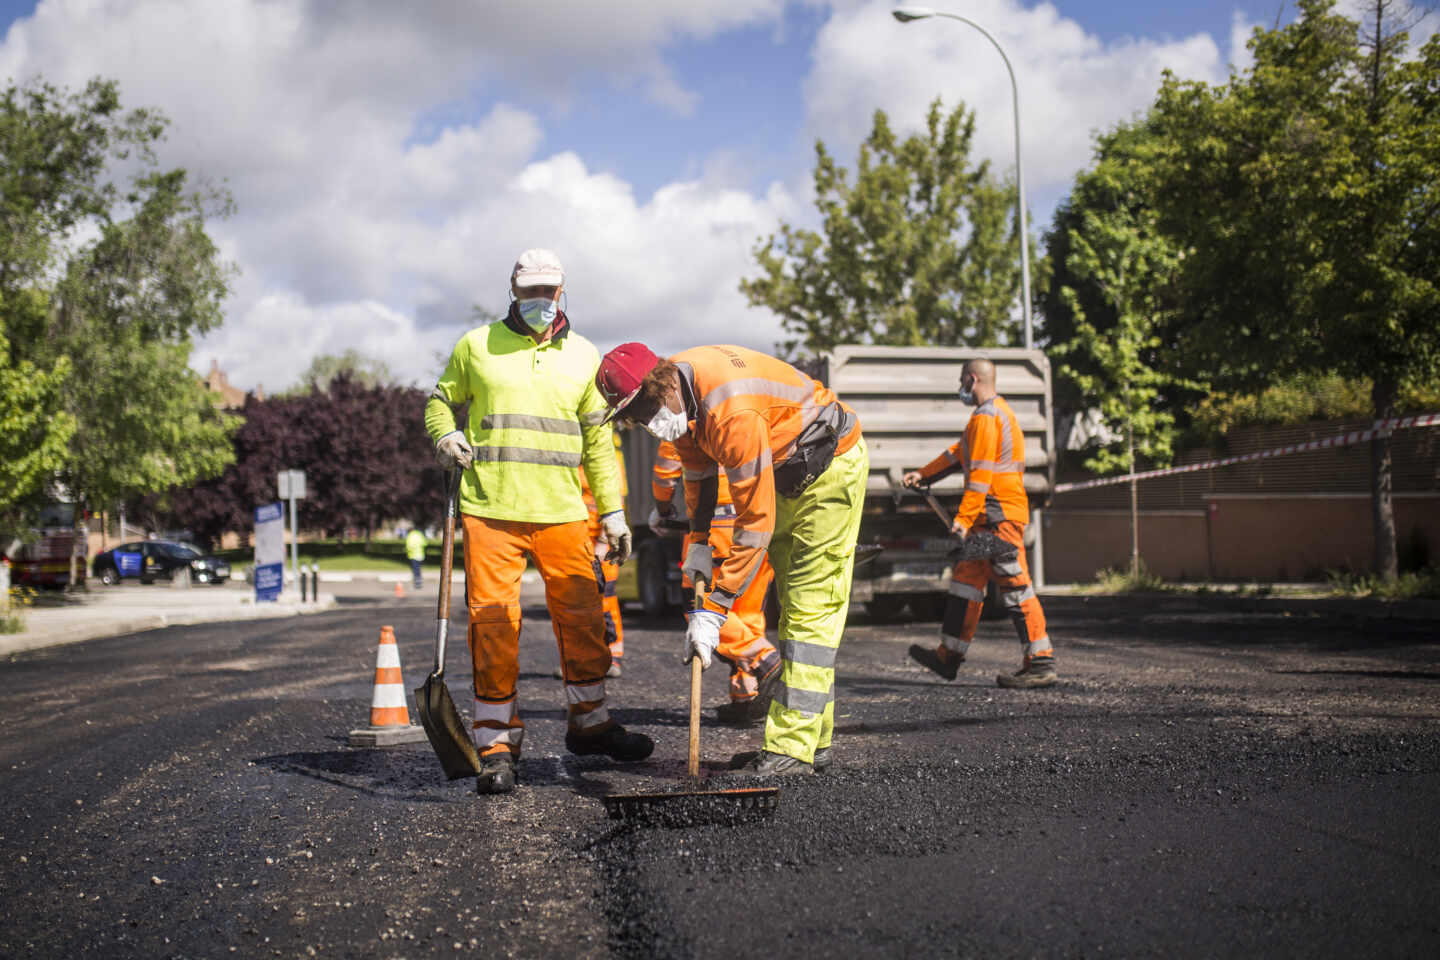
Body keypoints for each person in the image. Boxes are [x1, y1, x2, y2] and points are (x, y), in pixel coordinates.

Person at [426, 248, 652, 795]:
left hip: (563, 514)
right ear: (513, 290)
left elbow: (598, 443)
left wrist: (615, 512)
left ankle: (590, 723)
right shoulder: (475, 347)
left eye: (548, 292)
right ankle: (497, 744)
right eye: (530, 292)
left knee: (583, 623)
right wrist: (444, 434)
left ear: (562, 290)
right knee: (495, 627)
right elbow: (439, 401)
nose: (540, 302)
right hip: (490, 511)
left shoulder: (584, 357)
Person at [596, 343, 867, 776]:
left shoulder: (729, 411)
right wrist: (699, 543)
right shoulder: (684, 403)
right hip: (792, 469)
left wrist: (714, 610)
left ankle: (792, 750)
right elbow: (699, 479)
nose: (648, 422)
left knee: (811, 607)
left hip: (828, 467)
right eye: (637, 417)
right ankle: (813, 741)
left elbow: (755, 525)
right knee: (796, 609)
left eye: (647, 408)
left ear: (662, 383)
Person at [902, 357, 1058, 689]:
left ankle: (1041, 663)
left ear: (973, 379)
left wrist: (962, 519)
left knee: (1015, 587)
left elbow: (980, 477)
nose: (961, 388)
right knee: (966, 580)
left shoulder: (988, 417)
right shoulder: (988, 417)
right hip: (991, 518)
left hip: (998, 518)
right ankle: (949, 658)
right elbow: (958, 454)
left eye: (962, 380)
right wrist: (924, 474)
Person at [650, 438, 780, 724]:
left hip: (716, 528)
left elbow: (667, 466)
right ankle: (747, 697)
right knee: (746, 613)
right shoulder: (755, 402)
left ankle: (766, 660)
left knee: (700, 607)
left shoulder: (687, 403)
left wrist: (662, 507)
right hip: (760, 524)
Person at [579, 455, 625, 677]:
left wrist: (603, 542)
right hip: (574, 542)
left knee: (604, 599)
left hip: (600, 543)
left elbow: (615, 503)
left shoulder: (608, 459)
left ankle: (612, 656)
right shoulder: (568, 458)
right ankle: (582, 657)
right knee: (575, 603)